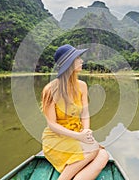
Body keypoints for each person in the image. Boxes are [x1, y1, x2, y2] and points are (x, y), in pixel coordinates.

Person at [41, 44, 109, 180]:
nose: (81, 61)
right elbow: (52, 124)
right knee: (94, 149)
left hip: (77, 134)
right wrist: (79, 137)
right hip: (56, 138)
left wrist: (86, 131)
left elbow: (84, 114)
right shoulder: (50, 90)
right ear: (69, 64)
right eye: (78, 58)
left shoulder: (82, 86)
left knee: (104, 155)